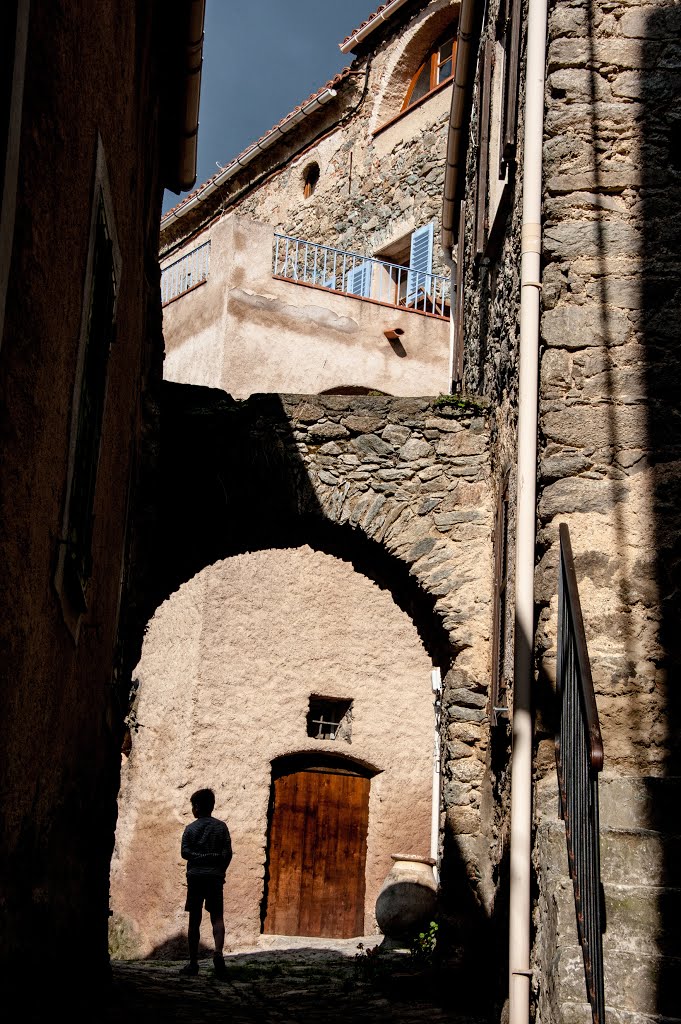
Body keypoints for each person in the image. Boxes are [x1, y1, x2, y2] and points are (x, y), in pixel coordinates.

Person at [180, 787, 232, 978]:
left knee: (195, 920)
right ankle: (218, 952)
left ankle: (193, 963)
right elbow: (227, 853)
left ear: (196, 807)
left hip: (195, 878)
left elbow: (185, 852)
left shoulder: (190, 829)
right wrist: (220, 870)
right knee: (217, 917)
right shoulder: (221, 827)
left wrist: (199, 857)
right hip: (214, 878)